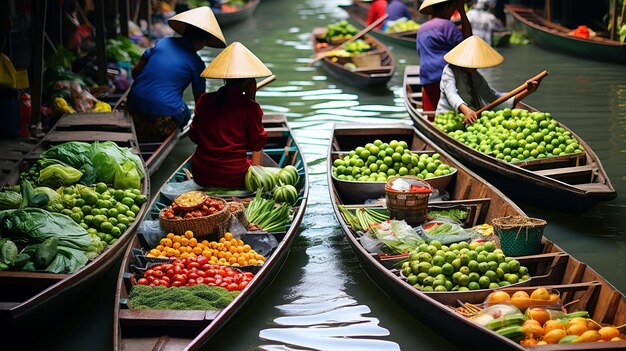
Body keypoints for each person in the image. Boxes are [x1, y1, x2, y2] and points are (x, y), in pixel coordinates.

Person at [127, 6, 226, 142]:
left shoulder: (163, 42)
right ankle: (161, 134)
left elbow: (135, 73)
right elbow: (200, 101)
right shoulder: (196, 63)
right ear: (201, 41)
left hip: (133, 104)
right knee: (186, 113)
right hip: (163, 117)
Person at [189, 42, 273, 188]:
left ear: (225, 78)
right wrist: (252, 98)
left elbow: (194, 136)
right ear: (249, 82)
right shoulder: (250, 107)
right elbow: (257, 143)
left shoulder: (205, 100)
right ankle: (255, 183)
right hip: (235, 177)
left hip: (201, 174)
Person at [436, 35, 540, 124]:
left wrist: (527, 90)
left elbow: (492, 96)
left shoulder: (474, 74)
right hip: (448, 117)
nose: (475, 67)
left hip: (471, 117)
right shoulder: (449, 71)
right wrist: (466, 111)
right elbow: (452, 95)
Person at [416, 0, 472, 113]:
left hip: (426, 75)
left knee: (432, 111)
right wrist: (462, 11)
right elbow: (468, 43)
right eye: (453, 7)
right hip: (445, 75)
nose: (454, 10)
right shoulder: (447, 25)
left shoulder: (422, 28)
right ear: (446, 7)